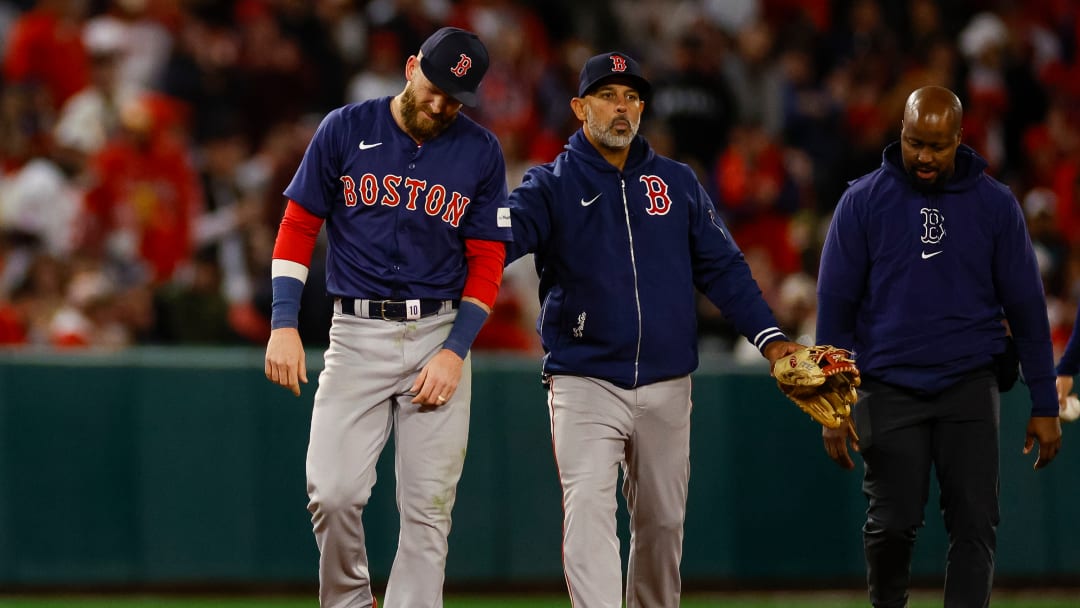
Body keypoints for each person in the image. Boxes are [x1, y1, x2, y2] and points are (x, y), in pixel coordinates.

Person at [504, 51, 802, 608]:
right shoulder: (551, 184)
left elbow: (725, 268)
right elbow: (498, 240)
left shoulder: (676, 182)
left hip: (667, 382)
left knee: (662, 527)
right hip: (584, 378)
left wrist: (773, 339)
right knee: (590, 514)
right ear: (578, 107)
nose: (622, 108)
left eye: (632, 97)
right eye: (608, 95)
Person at [263, 27, 511, 608]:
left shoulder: (480, 151)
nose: (441, 103)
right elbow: (298, 228)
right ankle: (349, 601)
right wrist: (283, 323)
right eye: (435, 86)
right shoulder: (345, 128)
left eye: (456, 97)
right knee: (333, 493)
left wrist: (455, 350)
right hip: (356, 332)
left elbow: (488, 261)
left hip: (438, 331)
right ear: (409, 67)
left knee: (428, 509)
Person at [816, 85, 1062, 608]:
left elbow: (1028, 310)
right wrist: (832, 404)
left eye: (936, 145)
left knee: (975, 527)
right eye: (913, 143)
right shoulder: (861, 202)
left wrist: (1044, 403)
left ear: (960, 139)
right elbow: (834, 310)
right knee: (890, 527)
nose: (924, 156)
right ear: (899, 135)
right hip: (886, 385)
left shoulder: (996, 206)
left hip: (969, 383)